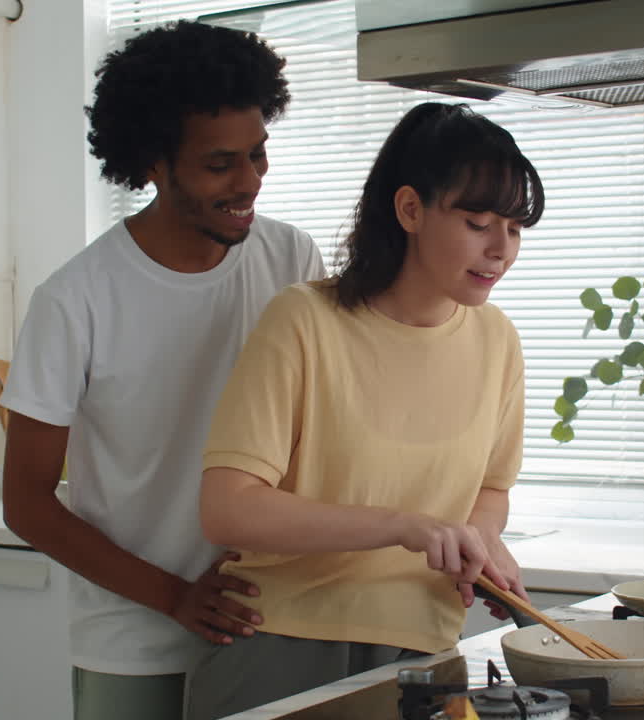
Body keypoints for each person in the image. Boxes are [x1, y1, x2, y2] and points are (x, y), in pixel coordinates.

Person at [0, 21, 325, 720]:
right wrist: (175, 596)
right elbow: (25, 502)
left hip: (263, 623)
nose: (248, 182)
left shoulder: (292, 261)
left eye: (258, 156)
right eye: (220, 164)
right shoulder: (75, 299)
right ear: (151, 162)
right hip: (133, 637)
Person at [188, 101, 544, 719]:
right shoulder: (304, 321)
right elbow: (228, 508)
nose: (500, 250)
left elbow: (490, 487)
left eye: (514, 229)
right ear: (410, 209)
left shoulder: (498, 341)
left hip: (429, 652)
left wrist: (479, 542)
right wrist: (406, 527)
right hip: (280, 646)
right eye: (479, 221)